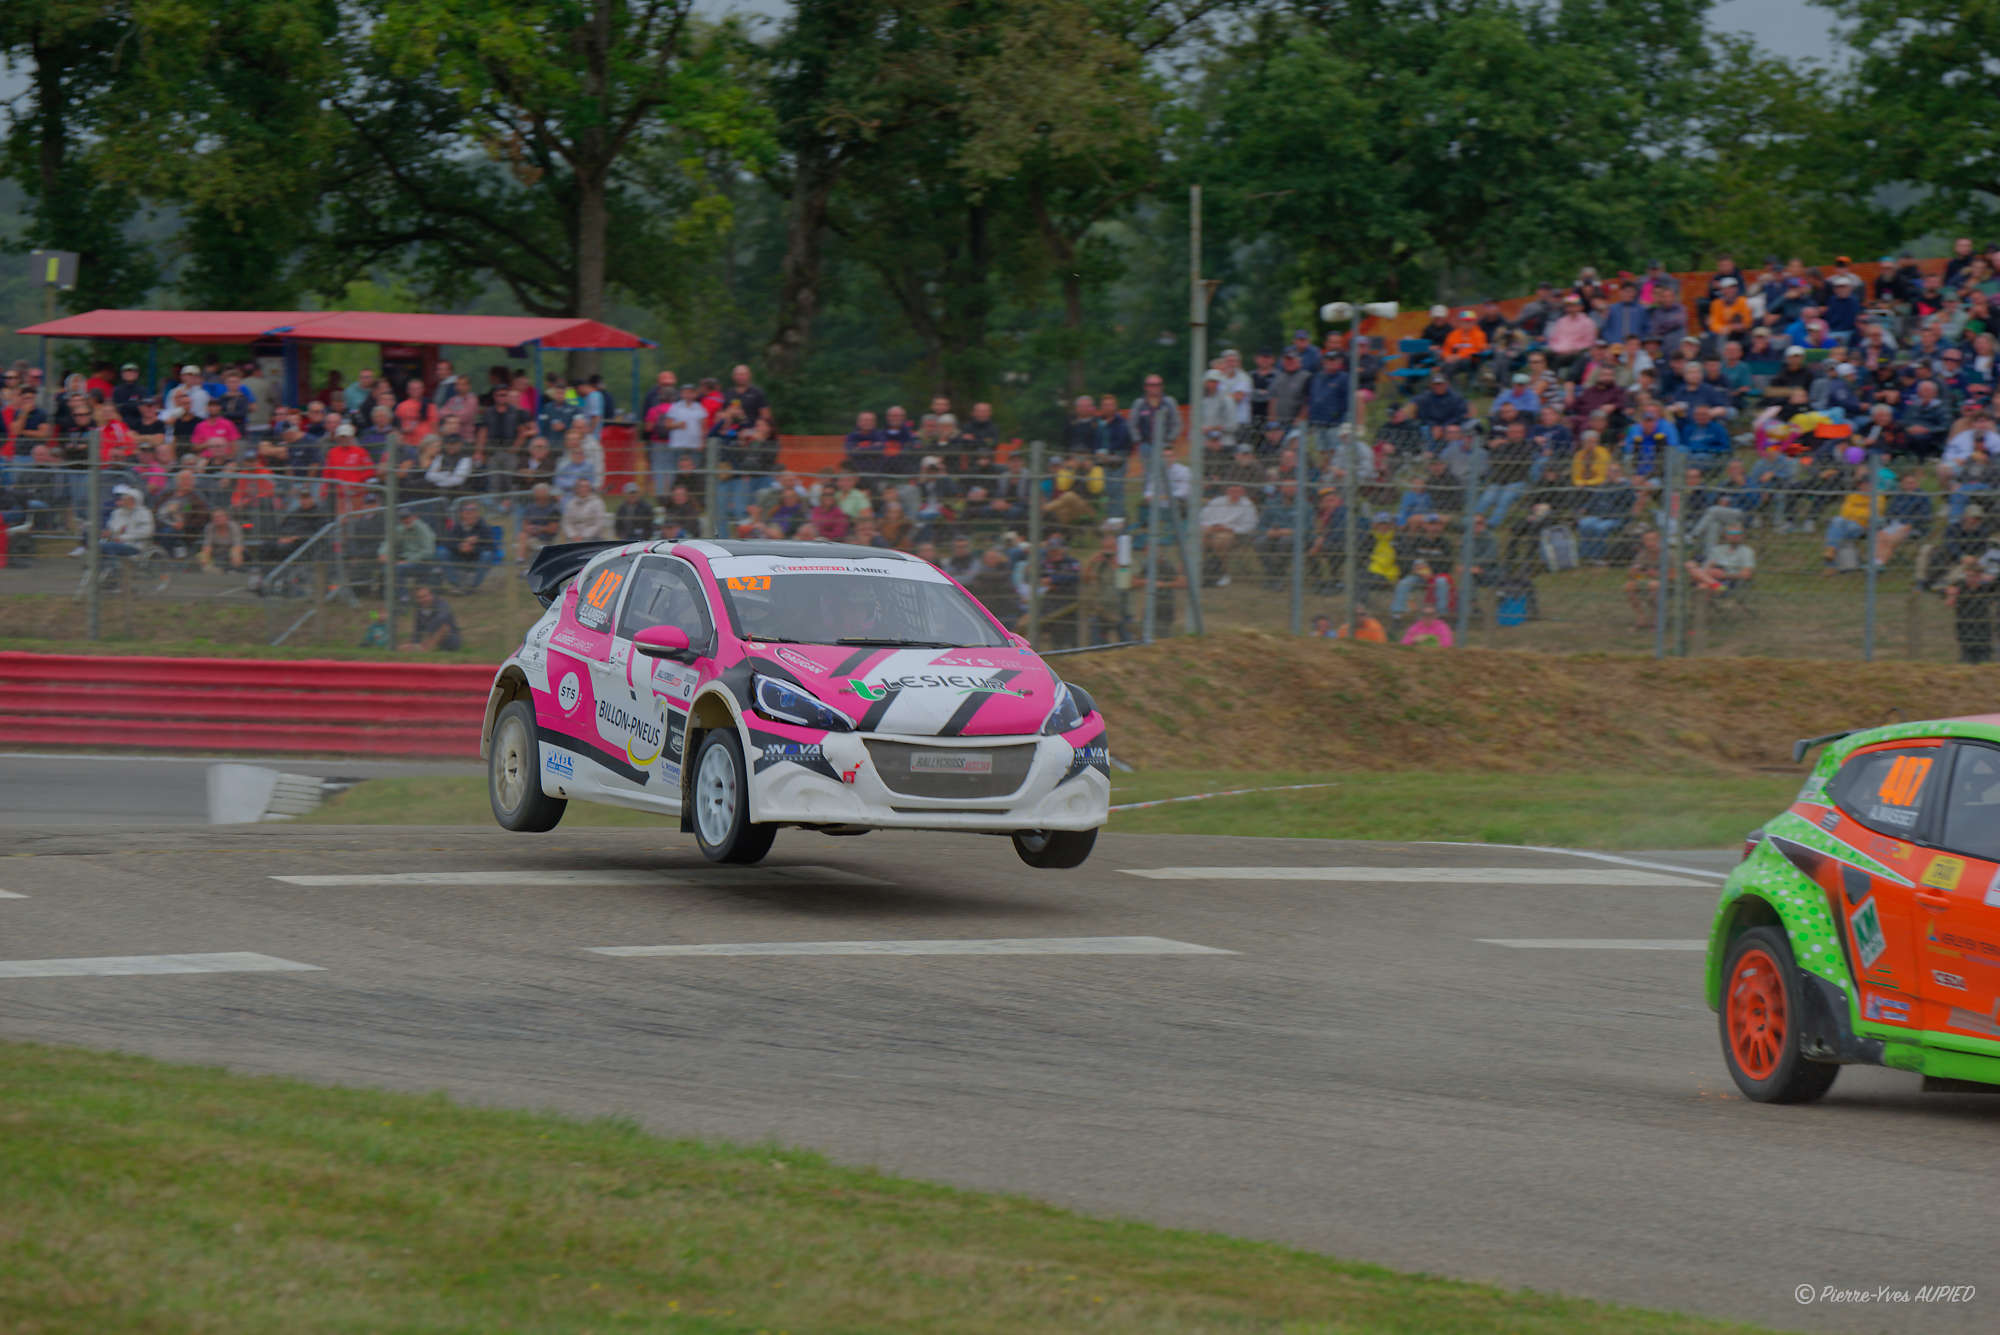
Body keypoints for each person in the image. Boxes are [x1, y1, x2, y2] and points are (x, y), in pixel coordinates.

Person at [403, 584, 463, 653]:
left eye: (425, 596)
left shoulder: (442, 604)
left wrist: (428, 635)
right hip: (430, 641)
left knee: (443, 627)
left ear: (432, 595)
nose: (423, 600)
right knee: (404, 647)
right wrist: (413, 644)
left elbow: (442, 618)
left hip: (450, 641)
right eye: (419, 598)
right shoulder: (419, 609)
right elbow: (417, 630)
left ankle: (426, 651)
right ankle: (423, 650)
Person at [561, 477, 611, 542]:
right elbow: (566, 523)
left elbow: (599, 524)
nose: (584, 489)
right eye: (581, 486)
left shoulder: (598, 502)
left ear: (590, 488)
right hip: (573, 539)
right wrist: (573, 535)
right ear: (576, 489)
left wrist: (583, 537)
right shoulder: (571, 503)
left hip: (593, 539)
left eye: (586, 486)